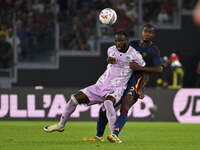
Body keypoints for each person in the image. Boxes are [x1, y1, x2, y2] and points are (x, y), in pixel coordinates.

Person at [44, 31, 147, 137]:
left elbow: (145, 71)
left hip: (117, 88)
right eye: (116, 40)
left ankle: (114, 135)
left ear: (127, 41)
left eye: (120, 40)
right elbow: (110, 59)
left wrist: (138, 77)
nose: (118, 43)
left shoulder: (135, 55)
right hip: (101, 85)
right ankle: (61, 125)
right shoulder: (111, 50)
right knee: (74, 99)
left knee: (108, 103)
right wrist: (109, 60)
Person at [82, 24, 163, 143]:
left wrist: (139, 72)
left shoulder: (153, 50)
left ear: (153, 35)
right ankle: (99, 137)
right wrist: (109, 59)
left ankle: (114, 134)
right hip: (121, 79)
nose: (147, 34)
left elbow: (159, 69)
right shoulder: (132, 44)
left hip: (137, 79)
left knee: (125, 106)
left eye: (150, 32)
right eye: (145, 31)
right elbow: (118, 51)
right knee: (104, 107)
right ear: (141, 32)